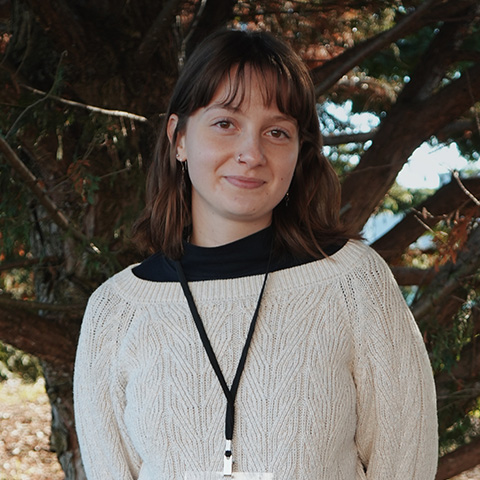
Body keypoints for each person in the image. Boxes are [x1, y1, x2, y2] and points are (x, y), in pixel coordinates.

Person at [73, 29, 438, 479]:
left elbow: (406, 463)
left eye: (277, 131)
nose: (251, 152)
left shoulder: (353, 285)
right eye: (226, 123)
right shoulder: (117, 311)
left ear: (298, 152)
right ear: (179, 138)